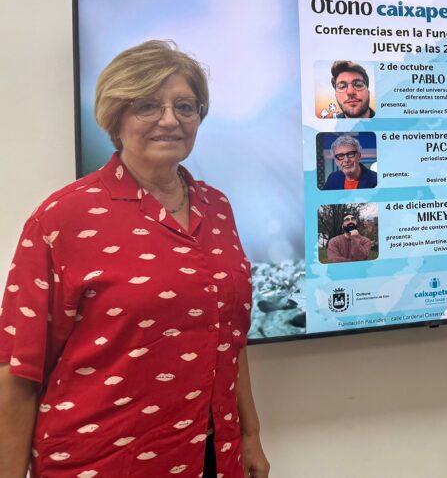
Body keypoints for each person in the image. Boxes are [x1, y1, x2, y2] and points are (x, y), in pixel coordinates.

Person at [0, 40, 270, 478]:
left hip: (212, 454)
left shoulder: (217, 207)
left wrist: (249, 435)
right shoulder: (62, 218)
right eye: (147, 106)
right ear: (115, 116)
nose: (170, 120)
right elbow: (17, 369)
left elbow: (229, 340)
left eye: (185, 106)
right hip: (103, 460)